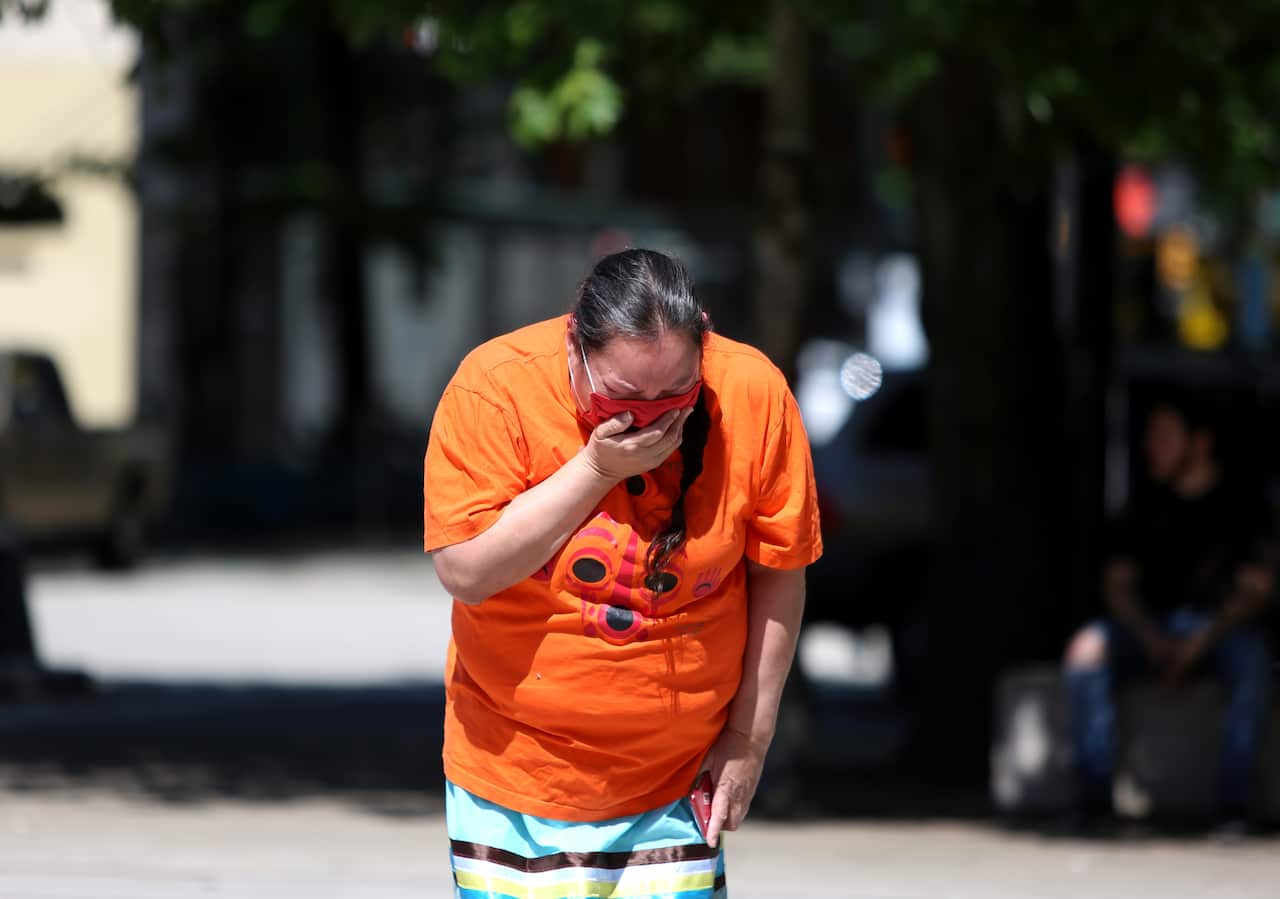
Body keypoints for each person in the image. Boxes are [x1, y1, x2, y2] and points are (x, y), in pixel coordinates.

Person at [423, 249, 822, 898]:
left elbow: (780, 572)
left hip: (673, 779)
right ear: (574, 348)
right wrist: (596, 469)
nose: (651, 417)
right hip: (514, 775)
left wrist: (749, 737)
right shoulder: (495, 387)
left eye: (676, 393)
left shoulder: (752, 392)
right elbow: (467, 569)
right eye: (624, 397)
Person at [1063, 396, 1275, 831]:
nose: (1152, 448)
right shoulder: (1144, 502)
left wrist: (1200, 643)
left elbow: (1258, 592)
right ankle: (1094, 804)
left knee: (1253, 661)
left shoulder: (1242, 504)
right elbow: (1117, 586)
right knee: (1086, 650)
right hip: (1149, 629)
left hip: (1219, 630)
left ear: (1199, 444)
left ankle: (1233, 809)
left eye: (1164, 437)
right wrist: (1152, 640)